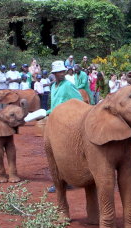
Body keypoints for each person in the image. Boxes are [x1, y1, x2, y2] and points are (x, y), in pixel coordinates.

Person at [47, 60, 83, 193]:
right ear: (54, 73)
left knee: (63, 152)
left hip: (66, 123)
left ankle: (66, 180)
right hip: (53, 121)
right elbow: (54, 105)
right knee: (55, 153)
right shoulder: (53, 86)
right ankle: (60, 181)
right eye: (59, 72)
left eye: (63, 71)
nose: (62, 73)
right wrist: (46, 112)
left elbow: (78, 101)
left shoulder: (68, 85)